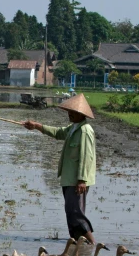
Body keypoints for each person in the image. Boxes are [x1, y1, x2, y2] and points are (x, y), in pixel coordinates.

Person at [23, 93, 96, 244]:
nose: (69, 114)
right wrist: (36, 126)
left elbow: (87, 156)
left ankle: (92, 244)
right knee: (70, 212)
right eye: (69, 111)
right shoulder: (73, 128)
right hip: (68, 178)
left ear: (80, 114)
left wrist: (82, 180)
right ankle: (79, 245)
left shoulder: (85, 131)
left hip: (77, 180)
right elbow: (57, 133)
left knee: (76, 213)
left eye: (72, 112)